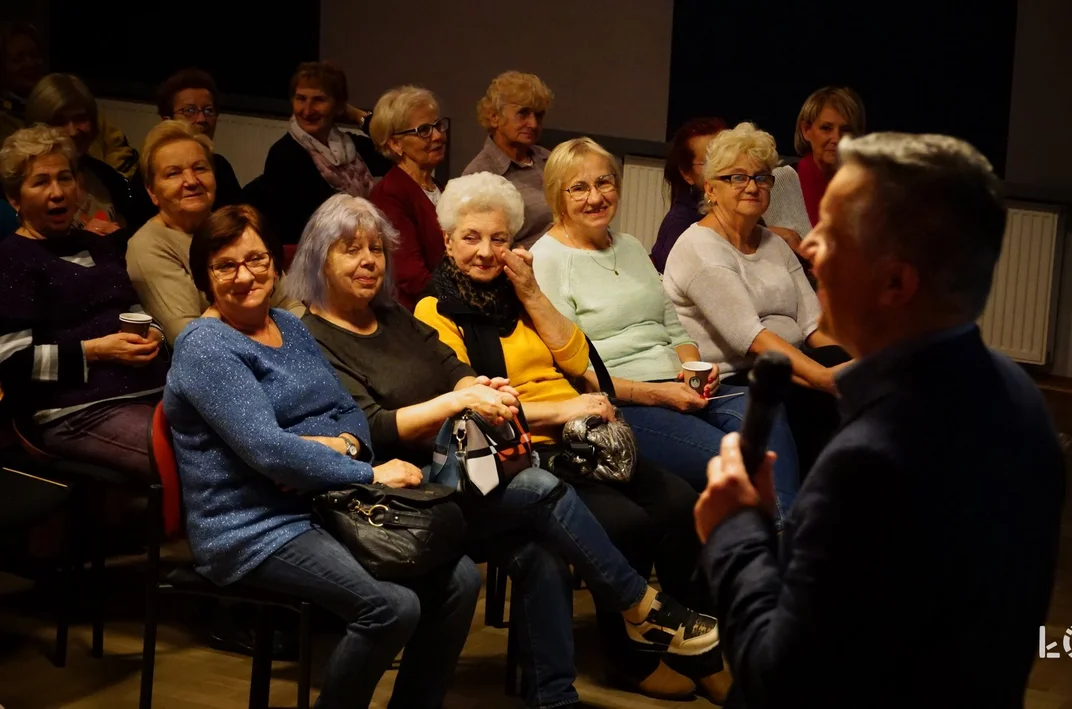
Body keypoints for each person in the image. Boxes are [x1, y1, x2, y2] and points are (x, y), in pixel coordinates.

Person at [294, 193, 726, 704]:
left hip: (458, 470)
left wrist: (480, 387)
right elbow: (373, 430)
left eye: (375, 249)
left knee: (541, 555)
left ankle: (556, 698)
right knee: (541, 485)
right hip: (401, 496)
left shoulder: (391, 316)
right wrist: (460, 401)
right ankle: (642, 608)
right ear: (319, 258)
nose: (367, 261)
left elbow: (450, 368)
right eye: (350, 249)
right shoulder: (311, 336)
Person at [696, 132, 1065, 708]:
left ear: (896, 282)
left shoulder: (871, 462)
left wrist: (735, 530)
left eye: (834, 232)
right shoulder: (1016, 393)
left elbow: (781, 682)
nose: (810, 244)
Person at [416, 173, 729, 699]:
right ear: (447, 240)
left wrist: (532, 292)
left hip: (586, 434)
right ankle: (630, 658)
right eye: (471, 238)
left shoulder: (519, 294)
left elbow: (582, 362)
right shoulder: (437, 310)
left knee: (682, 507)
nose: (486, 251)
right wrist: (563, 411)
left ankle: (697, 651)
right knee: (627, 524)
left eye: (498, 238)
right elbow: (477, 409)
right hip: (527, 451)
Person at [162, 203, 478, 708]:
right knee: (391, 608)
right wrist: (363, 467)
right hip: (250, 527)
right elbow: (269, 451)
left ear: (277, 264)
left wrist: (334, 448)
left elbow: (347, 413)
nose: (245, 276)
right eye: (226, 265)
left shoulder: (291, 326)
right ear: (205, 276)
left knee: (461, 578)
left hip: (319, 501)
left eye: (257, 259)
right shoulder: (206, 347)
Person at [531, 137, 801, 513]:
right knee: (738, 461)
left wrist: (695, 369)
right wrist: (659, 394)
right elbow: (579, 372)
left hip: (680, 388)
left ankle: (785, 541)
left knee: (766, 412)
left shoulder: (629, 246)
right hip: (623, 404)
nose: (595, 197)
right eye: (579, 188)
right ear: (557, 196)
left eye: (604, 182)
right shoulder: (547, 259)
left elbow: (674, 328)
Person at [663, 122, 847, 471]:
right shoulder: (699, 247)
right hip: (735, 378)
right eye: (737, 177)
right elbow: (751, 339)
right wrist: (825, 379)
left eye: (762, 177)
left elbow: (812, 326)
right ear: (711, 189)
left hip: (788, 363)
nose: (752, 186)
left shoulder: (774, 244)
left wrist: (856, 358)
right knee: (831, 404)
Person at [0, 125, 165, 478]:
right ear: (15, 199)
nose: (57, 192)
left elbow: (135, 312)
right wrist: (97, 350)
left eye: (65, 178)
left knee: (233, 431)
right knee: (193, 453)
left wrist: (154, 335)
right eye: (40, 182)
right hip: (74, 408)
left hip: (151, 387)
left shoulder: (99, 246)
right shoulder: (12, 259)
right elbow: (12, 363)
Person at [127, 120, 304, 340]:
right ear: (152, 192)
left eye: (200, 168)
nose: (191, 181)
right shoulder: (148, 245)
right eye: (174, 173)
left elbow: (290, 303)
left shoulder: (237, 226)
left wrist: (306, 342)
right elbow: (188, 333)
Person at [259, 61, 390, 245]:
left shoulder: (353, 146)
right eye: (301, 99)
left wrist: (357, 115)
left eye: (318, 100)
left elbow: (395, 149)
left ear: (338, 106)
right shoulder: (284, 154)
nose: (307, 110)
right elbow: (294, 232)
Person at [0, 22, 139, 177]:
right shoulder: (4, 123)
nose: (30, 63)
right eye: (18, 59)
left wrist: (110, 183)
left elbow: (120, 151)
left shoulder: (78, 102)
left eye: (34, 55)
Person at [25, 73, 140, 236]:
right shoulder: (23, 184)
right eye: (60, 122)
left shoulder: (107, 177)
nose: (72, 131)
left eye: (81, 118)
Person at [366, 85, 448, 308]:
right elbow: (412, 278)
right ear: (395, 144)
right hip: (418, 316)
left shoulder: (439, 188)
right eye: (424, 130)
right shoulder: (389, 195)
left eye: (439, 125)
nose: (439, 135)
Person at [128, 68, 243, 224]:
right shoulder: (148, 174)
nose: (202, 119)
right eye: (190, 110)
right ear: (166, 120)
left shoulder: (221, 167)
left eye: (209, 110)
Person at [461, 71, 553, 250]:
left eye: (538, 115)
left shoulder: (549, 160)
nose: (533, 124)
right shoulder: (479, 175)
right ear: (494, 117)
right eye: (523, 114)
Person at [650, 117, 724, 272]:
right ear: (686, 174)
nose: (723, 168)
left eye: (726, 158)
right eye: (709, 162)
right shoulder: (680, 227)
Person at [794, 86, 865, 227]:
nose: (836, 138)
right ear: (806, 130)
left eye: (846, 130)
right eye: (826, 128)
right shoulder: (782, 181)